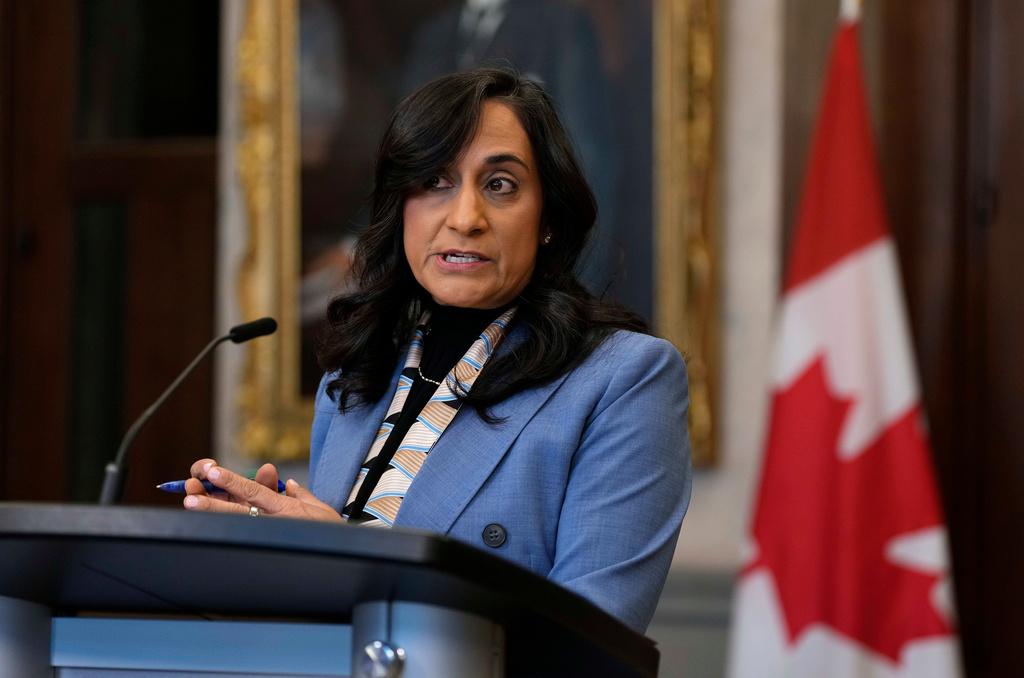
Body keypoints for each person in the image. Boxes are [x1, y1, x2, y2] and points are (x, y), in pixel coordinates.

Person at [183, 68, 691, 633]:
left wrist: (343, 552)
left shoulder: (626, 379)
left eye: (500, 185)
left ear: (548, 217)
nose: (465, 219)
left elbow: (591, 643)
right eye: (434, 181)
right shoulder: (355, 375)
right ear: (401, 205)